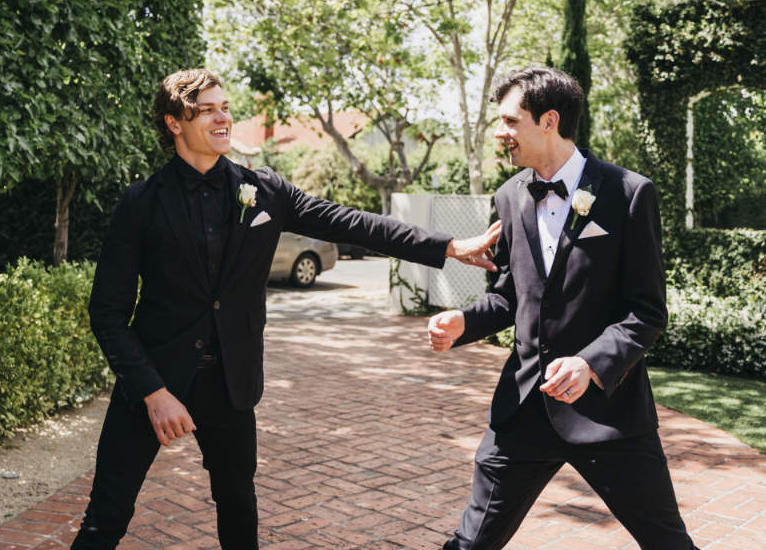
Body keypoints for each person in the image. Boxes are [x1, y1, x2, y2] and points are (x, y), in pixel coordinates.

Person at [72, 68, 500, 550]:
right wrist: (153, 392)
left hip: (230, 383)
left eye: (226, 107)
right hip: (154, 377)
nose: (223, 117)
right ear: (175, 123)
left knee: (238, 509)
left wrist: (448, 247)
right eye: (208, 109)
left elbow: (354, 224)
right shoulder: (141, 203)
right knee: (106, 515)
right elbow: (107, 312)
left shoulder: (265, 190)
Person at [427, 66, 699, 550]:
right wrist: (463, 322)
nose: (500, 132)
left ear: (549, 120)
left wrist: (591, 363)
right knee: (469, 544)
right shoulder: (509, 197)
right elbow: (510, 295)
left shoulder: (629, 193)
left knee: (668, 544)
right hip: (524, 409)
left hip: (609, 415)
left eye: (511, 121)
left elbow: (647, 310)